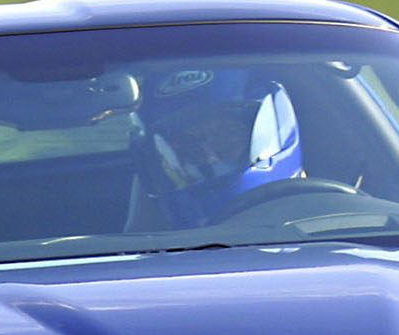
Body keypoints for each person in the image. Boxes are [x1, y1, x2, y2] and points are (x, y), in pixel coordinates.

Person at [127, 68, 302, 228]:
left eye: (223, 140)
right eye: (190, 146)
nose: (210, 157)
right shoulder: (155, 243)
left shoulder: (324, 223)